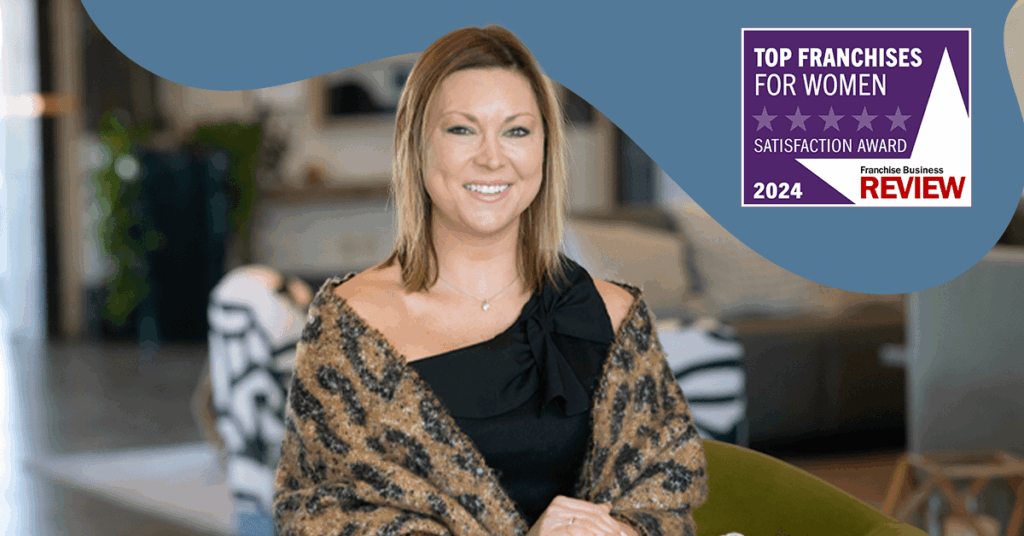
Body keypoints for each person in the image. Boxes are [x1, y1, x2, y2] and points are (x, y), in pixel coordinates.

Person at [273, 25, 708, 536]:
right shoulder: (348, 326)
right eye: (462, 129)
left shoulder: (616, 317)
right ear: (418, 145)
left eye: (517, 131)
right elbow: (317, 518)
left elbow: (668, 495)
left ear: (545, 149)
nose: (492, 157)